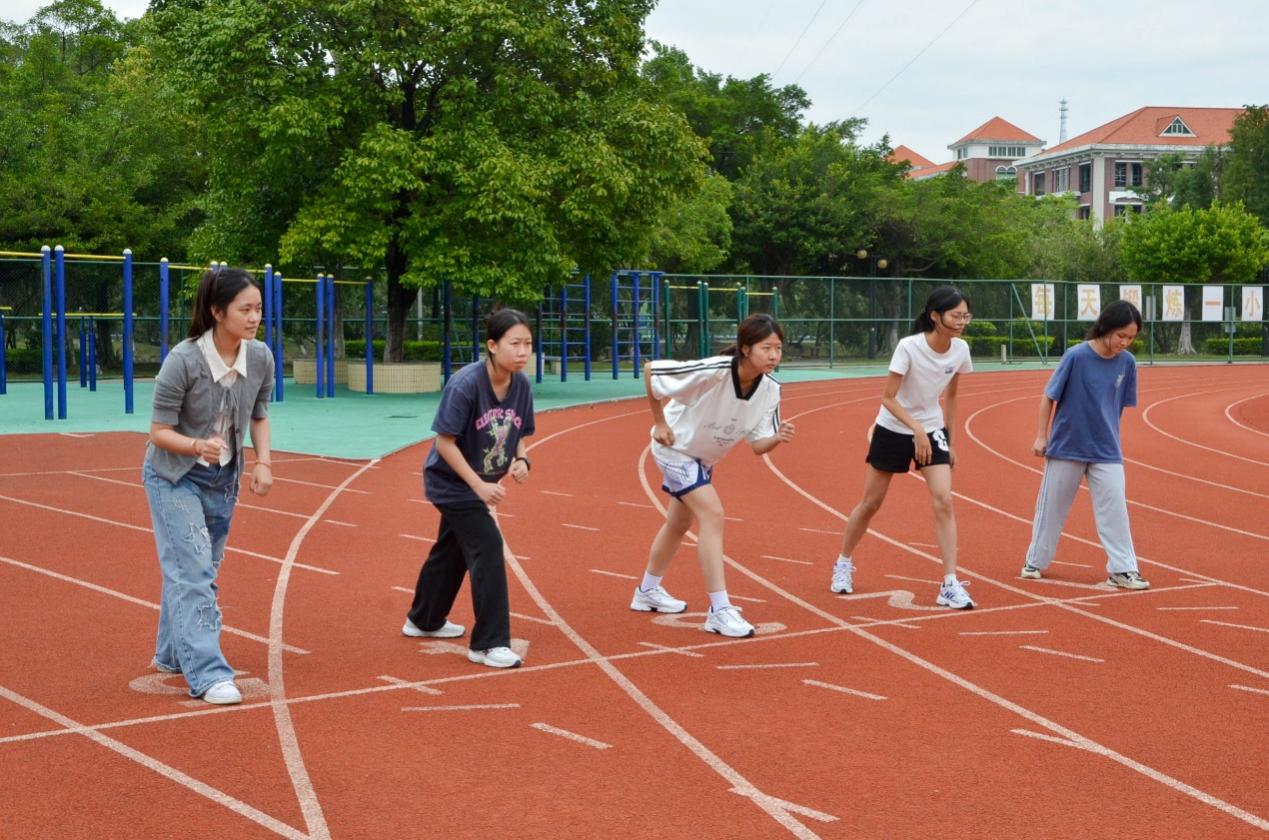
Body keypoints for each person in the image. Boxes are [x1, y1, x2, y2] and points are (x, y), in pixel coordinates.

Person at [143, 267, 274, 705]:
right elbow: (158, 432)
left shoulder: (260, 357)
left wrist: (263, 462)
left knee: (197, 568)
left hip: (223, 479)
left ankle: (171, 653)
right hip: (173, 476)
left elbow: (259, 413)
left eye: (258, 309)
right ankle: (208, 673)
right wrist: (197, 445)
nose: (254, 318)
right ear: (218, 312)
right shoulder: (183, 361)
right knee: (195, 571)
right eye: (245, 309)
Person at [631, 313, 796, 638]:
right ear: (746, 348)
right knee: (713, 514)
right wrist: (660, 423)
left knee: (678, 524)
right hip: (675, 449)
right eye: (766, 348)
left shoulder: (770, 391)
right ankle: (719, 610)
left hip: (702, 458)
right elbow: (652, 371)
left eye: (778, 348)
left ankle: (646, 591)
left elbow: (758, 445)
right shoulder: (715, 371)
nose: (774, 355)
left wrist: (777, 438)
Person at [403, 308, 535, 668]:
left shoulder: (521, 385)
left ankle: (424, 619)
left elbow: (517, 430)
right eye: (515, 343)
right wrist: (478, 486)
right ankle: (489, 643)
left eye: (528, 344)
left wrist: (522, 460)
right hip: (451, 483)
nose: (523, 351)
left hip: (479, 482)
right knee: (487, 544)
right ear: (492, 345)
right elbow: (444, 442)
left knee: (453, 550)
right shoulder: (465, 384)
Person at [830, 286, 976, 609]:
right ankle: (843, 561)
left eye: (966, 316)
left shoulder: (960, 350)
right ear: (935, 316)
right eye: (956, 316)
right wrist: (916, 429)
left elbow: (952, 396)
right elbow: (888, 397)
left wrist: (949, 440)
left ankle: (949, 583)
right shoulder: (909, 347)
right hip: (894, 427)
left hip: (932, 429)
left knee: (944, 500)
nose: (962, 322)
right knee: (870, 503)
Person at [1021, 300, 1149, 590]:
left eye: (1131, 338)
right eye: (1121, 335)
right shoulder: (1076, 356)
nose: (1125, 343)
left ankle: (1123, 569)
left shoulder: (1127, 363)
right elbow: (1049, 396)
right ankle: (1035, 562)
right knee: (1052, 508)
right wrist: (1042, 436)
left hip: (1106, 449)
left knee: (1115, 509)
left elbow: (1117, 406)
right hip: (1067, 446)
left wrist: (1108, 434)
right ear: (1106, 327)